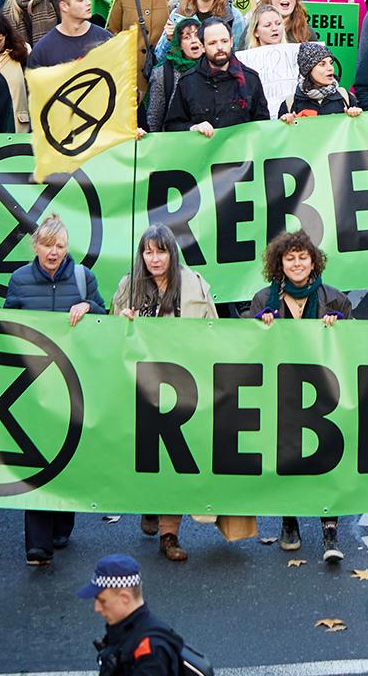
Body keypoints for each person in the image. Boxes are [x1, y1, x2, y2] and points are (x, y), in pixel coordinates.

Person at [0, 215, 104, 567]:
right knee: (35, 460)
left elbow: (107, 319)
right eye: (47, 245)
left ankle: (62, 522)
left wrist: (90, 307)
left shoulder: (83, 278)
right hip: (32, 385)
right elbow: (9, 325)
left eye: (60, 246)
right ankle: (37, 543)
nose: (53, 252)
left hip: (74, 383)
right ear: (35, 246)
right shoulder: (19, 279)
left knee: (67, 454)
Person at [116, 225, 220, 562]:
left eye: (161, 251)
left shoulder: (194, 285)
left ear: (172, 253)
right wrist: (123, 319)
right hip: (140, 386)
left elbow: (213, 331)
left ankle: (169, 534)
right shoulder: (129, 286)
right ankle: (149, 503)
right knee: (146, 455)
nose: (155, 258)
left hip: (182, 386)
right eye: (148, 252)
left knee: (176, 457)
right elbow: (109, 334)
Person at [247, 229, 350, 562]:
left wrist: (340, 328)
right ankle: (289, 520)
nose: (296, 263)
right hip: (282, 390)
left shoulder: (334, 298)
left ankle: (329, 528)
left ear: (313, 261)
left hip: (324, 392)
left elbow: (358, 344)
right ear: (279, 263)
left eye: (302, 257)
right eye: (289, 258)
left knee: (326, 457)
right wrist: (259, 329)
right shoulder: (263, 300)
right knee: (286, 455)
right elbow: (247, 347)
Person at [83, 554, 186, 675]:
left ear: (125, 598)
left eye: (102, 601)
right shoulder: (129, 630)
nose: (97, 608)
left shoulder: (151, 652)